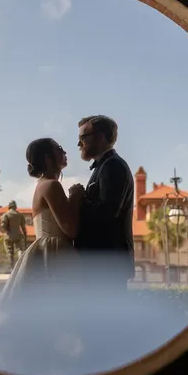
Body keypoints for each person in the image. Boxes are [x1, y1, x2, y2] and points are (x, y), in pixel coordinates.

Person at [0, 138, 84, 305]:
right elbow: (70, 229)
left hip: (46, 251)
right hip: (56, 254)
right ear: (47, 157)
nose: (64, 152)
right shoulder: (52, 186)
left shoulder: (42, 185)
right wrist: (75, 198)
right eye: (59, 148)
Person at [71, 115, 135, 295]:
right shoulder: (105, 166)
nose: (79, 144)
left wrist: (78, 198)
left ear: (101, 137)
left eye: (83, 137)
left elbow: (107, 213)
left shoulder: (113, 166)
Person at [0, 200, 27, 268]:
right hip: (18, 235)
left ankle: (12, 268)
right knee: (20, 249)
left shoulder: (6, 214)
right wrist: (25, 236)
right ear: (15, 207)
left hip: (9, 235)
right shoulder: (20, 215)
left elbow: (3, 226)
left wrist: (6, 230)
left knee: (10, 252)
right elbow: (23, 227)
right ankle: (20, 266)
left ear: (9, 206)